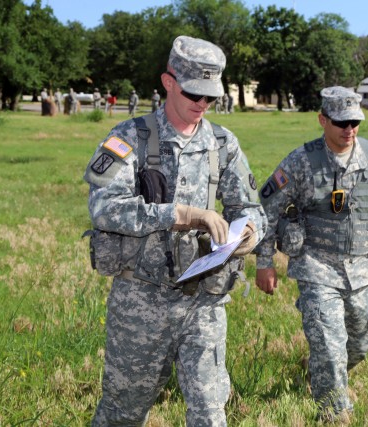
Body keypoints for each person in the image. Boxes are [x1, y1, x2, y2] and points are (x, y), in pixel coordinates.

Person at [84, 35, 266, 426]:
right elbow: (103, 208)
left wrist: (249, 233)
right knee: (122, 411)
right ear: (168, 83)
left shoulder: (223, 144)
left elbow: (252, 208)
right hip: (141, 301)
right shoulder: (129, 137)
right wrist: (181, 214)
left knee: (209, 411)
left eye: (210, 98)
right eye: (193, 93)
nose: (201, 104)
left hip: (203, 300)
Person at [254, 86, 368, 422]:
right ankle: (334, 413)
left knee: (362, 339)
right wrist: (264, 262)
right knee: (331, 346)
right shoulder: (302, 161)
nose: (349, 129)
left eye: (355, 122)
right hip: (315, 266)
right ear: (322, 120)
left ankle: (317, 371)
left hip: (363, 267)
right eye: (341, 122)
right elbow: (266, 209)